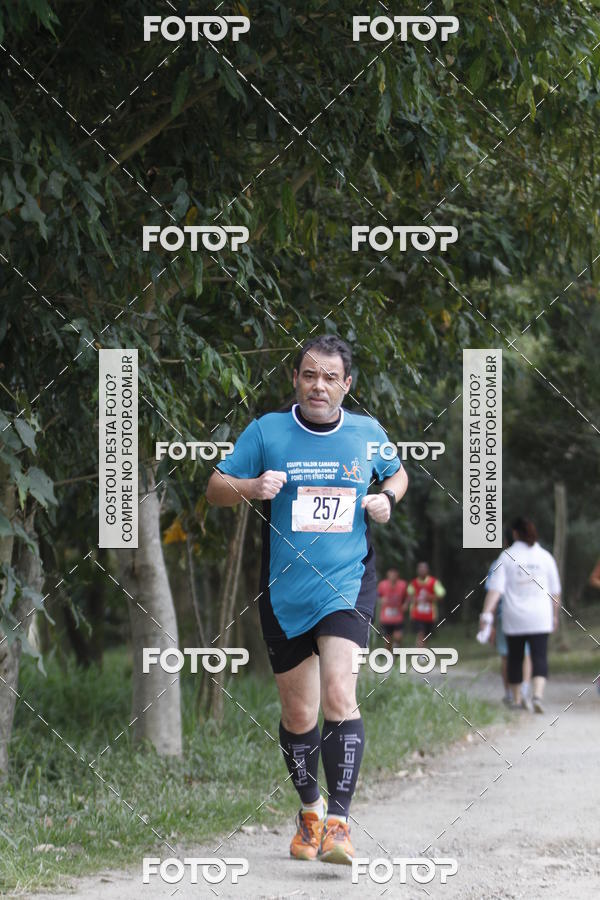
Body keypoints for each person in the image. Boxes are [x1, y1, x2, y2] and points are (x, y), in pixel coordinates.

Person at [206, 335, 408, 865]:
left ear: (347, 384)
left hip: (346, 583)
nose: (319, 386)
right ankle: (312, 811)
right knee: (300, 712)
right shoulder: (267, 432)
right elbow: (214, 486)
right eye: (309, 375)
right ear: (296, 379)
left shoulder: (366, 434)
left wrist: (386, 498)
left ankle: (340, 824)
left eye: (330, 377)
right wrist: (252, 487)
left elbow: (399, 472)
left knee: (340, 693)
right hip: (285, 589)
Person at [480, 516, 561, 714]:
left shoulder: (506, 557)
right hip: (540, 617)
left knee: (515, 657)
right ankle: (537, 696)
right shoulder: (545, 557)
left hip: (514, 617)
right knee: (539, 656)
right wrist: (555, 615)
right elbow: (555, 591)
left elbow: (495, 590)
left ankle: (517, 698)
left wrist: (486, 614)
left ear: (515, 534)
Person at [485, 527, 532, 708]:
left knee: (507, 655)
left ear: (506, 542)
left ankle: (511, 695)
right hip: (529, 614)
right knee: (526, 653)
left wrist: (489, 621)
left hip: (506, 615)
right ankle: (525, 691)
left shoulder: (499, 562)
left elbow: (493, 592)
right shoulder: (533, 560)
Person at [406, 562, 446, 647]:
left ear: (427, 570)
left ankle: (423, 650)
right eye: (420, 569)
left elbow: (441, 595)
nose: (422, 571)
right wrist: (414, 599)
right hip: (417, 614)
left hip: (430, 614)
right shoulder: (413, 583)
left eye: (424, 569)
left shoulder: (433, 582)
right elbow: (409, 596)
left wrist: (430, 597)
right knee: (421, 633)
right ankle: (420, 653)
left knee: (426, 635)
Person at [377, 567, 408, 647]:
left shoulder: (403, 585)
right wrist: (381, 600)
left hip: (398, 616)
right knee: (387, 640)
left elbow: (407, 597)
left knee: (398, 637)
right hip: (386, 617)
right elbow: (377, 596)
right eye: (391, 574)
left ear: (397, 575)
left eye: (394, 574)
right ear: (388, 574)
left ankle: (396, 647)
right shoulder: (382, 585)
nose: (393, 576)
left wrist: (406, 604)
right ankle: (389, 657)